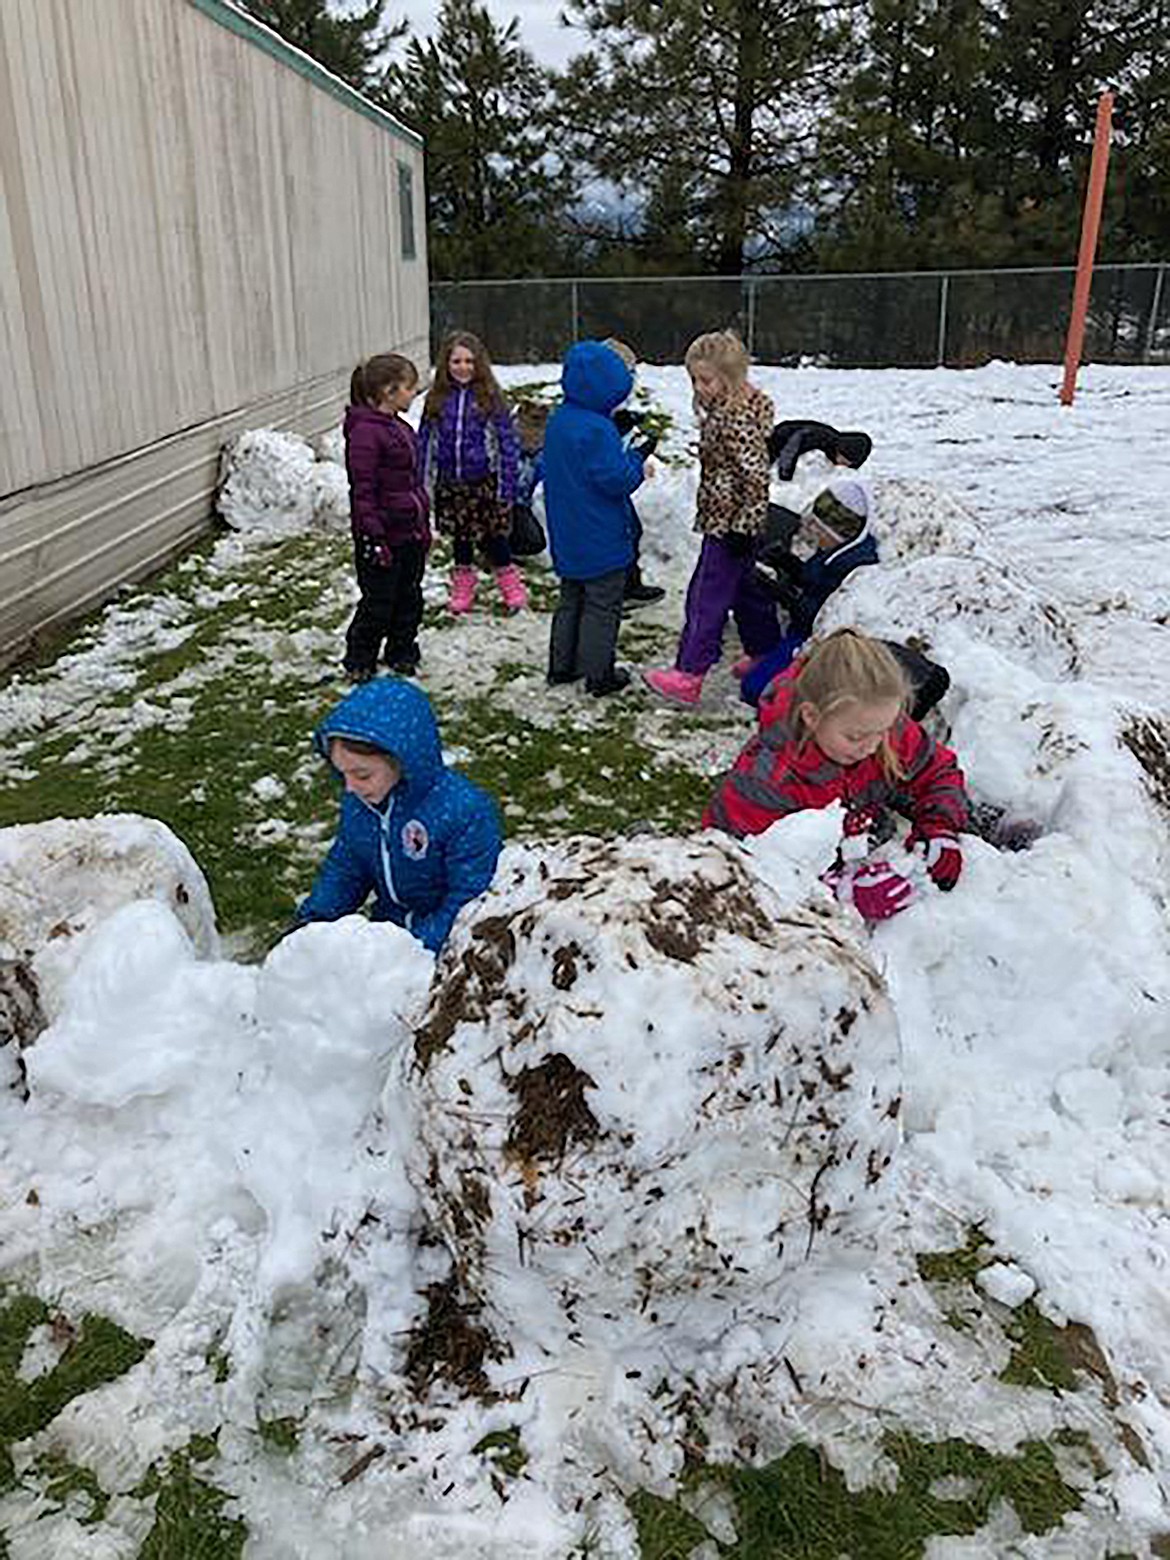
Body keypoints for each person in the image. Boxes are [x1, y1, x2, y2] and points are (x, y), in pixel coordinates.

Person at [704, 629, 968, 921]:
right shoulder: (765, 781)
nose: (871, 746)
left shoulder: (877, 726)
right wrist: (838, 890)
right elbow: (742, 872)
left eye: (883, 731)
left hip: (864, 846)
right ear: (812, 717)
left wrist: (940, 826)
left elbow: (938, 770)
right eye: (855, 737)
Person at [295, 678, 502, 953]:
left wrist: (413, 951)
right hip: (387, 933)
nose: (349, 787)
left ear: (403, 761)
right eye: (341, 773)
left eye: (362, 775)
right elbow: (347, 867)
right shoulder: (362, 803)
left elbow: (469, 900)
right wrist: (315, 922)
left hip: (446, 947)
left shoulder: (464, 811)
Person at [642, 330, 777, 706]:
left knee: (706, 596)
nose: (699, 388)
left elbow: (754, 477)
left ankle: (689, 672)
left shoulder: (735, 419)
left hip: (730, 527)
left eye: (706, 380)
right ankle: (765, 651)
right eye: (694, 380)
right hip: (732, 522)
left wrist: (743, 527)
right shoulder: (729, 409)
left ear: (731, 378)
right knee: (747, 590)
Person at [543, 340, 653, 696]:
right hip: (600, 534)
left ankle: (562, 666)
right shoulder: (597, 429)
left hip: (568, 532)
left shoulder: (561, 420)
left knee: (571, 599)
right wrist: (636, 457)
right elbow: (616, 479)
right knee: (603, 606)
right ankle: (598, 673)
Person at [418, 331, 525, 615]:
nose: (463, 367)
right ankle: (463, 586)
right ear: (446, 364)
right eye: (456, 361)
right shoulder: (437, 399)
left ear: (479, 364)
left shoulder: (490, 398)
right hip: (452, 484)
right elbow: (425, 443)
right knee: (461, 540)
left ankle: (510, 584)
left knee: (494, 538)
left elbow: (506, 443)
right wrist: (423, 483)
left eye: (469, 361)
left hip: (484, 483)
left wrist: (507, 485)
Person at [342, 353, 429, 682]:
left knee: (410, 595)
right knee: (379, 601)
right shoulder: (365, 433)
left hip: (409, 531)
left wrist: (421, 522)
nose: (414, 393)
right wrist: (373, 535)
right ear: (389, 391)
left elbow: (410, 480)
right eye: (409, 387)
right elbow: (362, 490)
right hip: (381, 536)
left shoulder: (400, 427)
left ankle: (401, 649)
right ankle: (359, 657)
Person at [602, 338, 665, 607]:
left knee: (631, 530)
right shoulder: (595, 407)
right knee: (621, 533)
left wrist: (624, 425)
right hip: (603, 492)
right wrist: (638, 455)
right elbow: (604, 460)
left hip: (608, 490)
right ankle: (616, 592)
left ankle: (628, 584)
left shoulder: (608, 404)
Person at [768, 420, 872, 483]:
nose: (842, 465)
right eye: (845, 462)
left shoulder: (831, 444)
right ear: (843, 451)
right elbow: (791, 448)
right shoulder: (821, 437)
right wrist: (785, 473)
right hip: (775, 440)